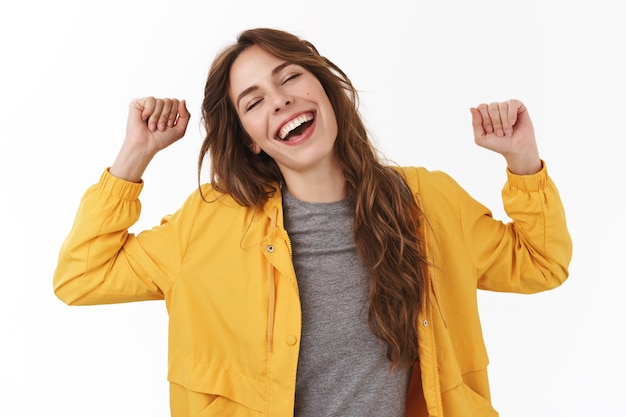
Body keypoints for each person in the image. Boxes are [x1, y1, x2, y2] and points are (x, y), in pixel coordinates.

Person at [53, 28, 572, 417]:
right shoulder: (207, 223)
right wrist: (134, 156)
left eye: (290, 77)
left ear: (324, 88)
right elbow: (81, 277)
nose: (279, 100)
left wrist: (522, 161)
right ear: (251, 138)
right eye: (254, 101)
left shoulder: (427, 202)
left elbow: (542, 264)